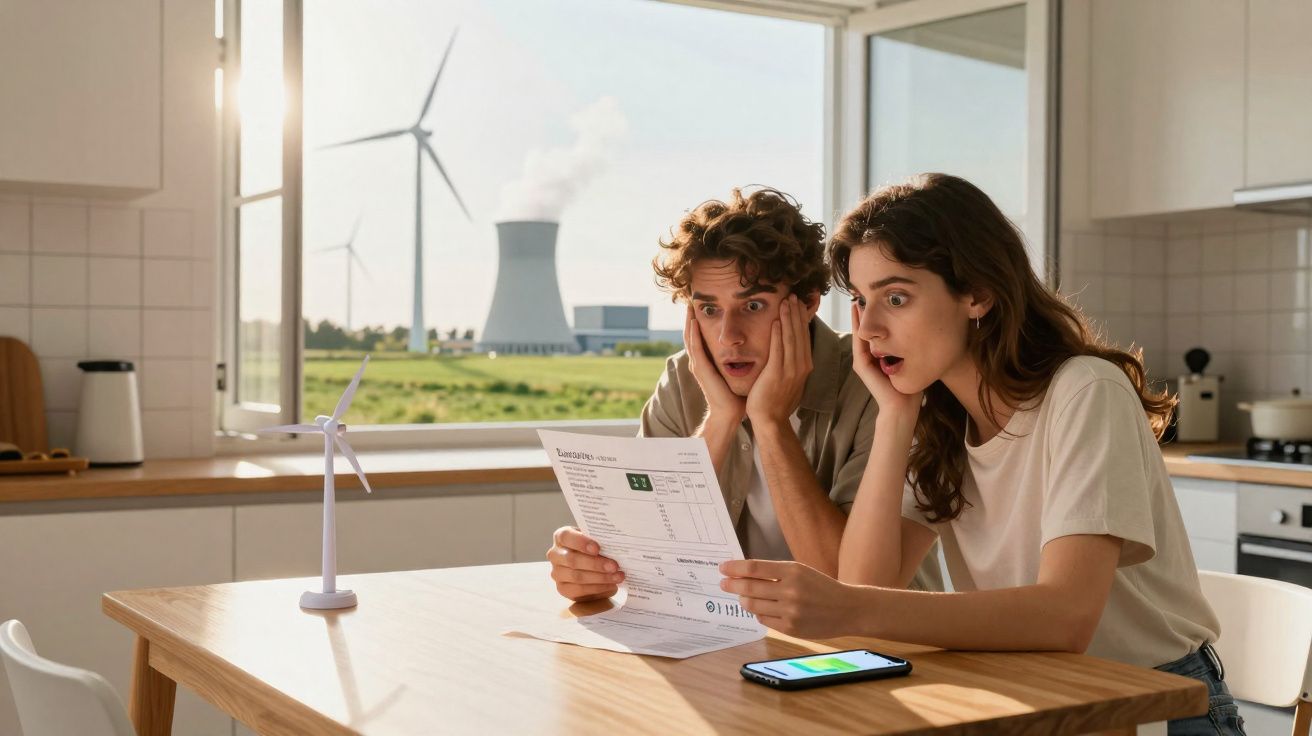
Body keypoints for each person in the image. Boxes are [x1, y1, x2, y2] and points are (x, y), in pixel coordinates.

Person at [718, 173, 1242, 735]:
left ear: (977, 294)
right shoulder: (937, 419)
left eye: (896, 298)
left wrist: (852, 607)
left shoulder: (1086, 391)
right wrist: (896, 418)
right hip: (1036, 697)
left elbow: (1066, 617)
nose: (868, 328)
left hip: (1154, 704)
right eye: (861, 301)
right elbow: (868, 582)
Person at [547, 187, 942, 603]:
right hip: (742, 638)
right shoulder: (684, 379)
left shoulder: (880, 384)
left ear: (808, 303)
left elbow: (847, 591)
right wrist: (588, 569)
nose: (727, 337)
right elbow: (642, 556)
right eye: (709, 309)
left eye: (752, 306)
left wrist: (770, 424)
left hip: (875, 646)